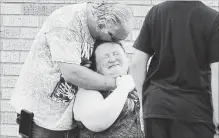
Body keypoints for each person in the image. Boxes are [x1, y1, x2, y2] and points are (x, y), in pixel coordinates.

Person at [10, 2, 133, 138]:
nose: (115, 42)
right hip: (43, 120)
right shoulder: (66, 21)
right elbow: (72, 73)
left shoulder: (101, 32)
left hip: (69, 119)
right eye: (114, 37)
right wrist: (118, 84)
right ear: (102, 24)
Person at [130, 1, 219, 138]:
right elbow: (217, 72)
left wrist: (144, 103)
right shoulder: (213, 18)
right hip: (195, 111)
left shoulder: (156, 12)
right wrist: (218, 113)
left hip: (156, 107)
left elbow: (136, 63)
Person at [73, 40, 144, 138]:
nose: (112, 59)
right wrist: (124, 86)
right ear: (96, 68)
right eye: (104, 57)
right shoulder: (88, 90)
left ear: (127, 59)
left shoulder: (138, 85)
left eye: (117, 53)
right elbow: (96, 120)